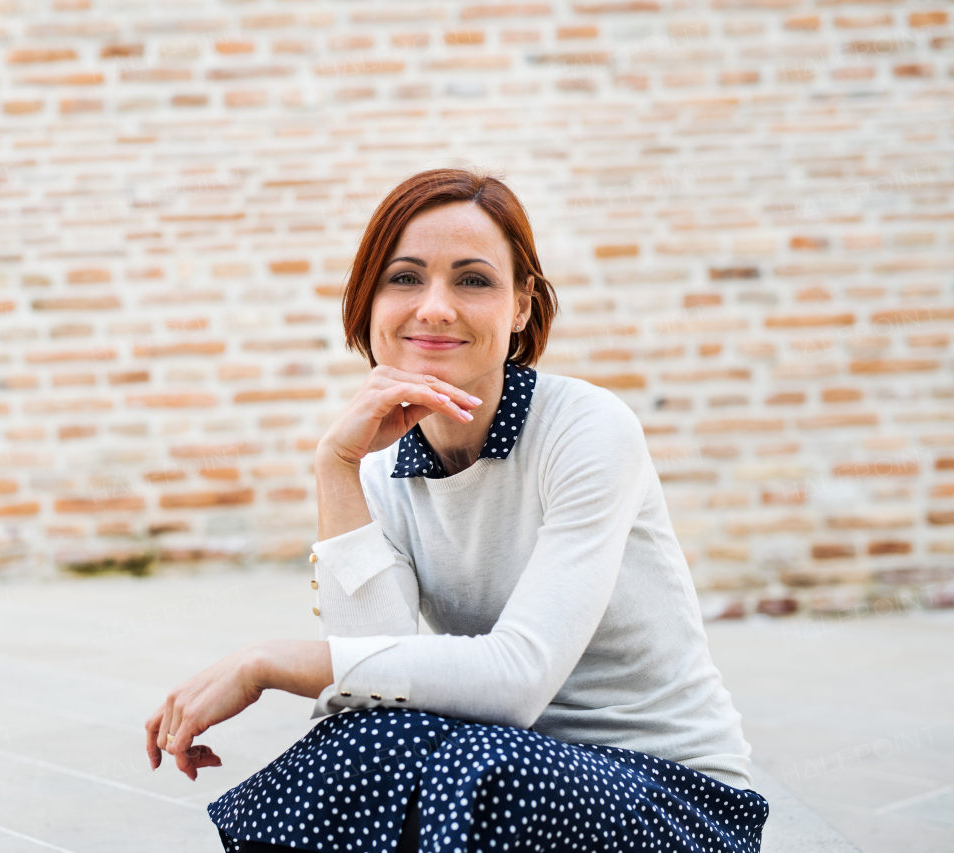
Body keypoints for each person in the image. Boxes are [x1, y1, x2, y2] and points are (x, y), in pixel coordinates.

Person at [144, 168, 769, 853]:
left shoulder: (587, 429)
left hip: (672, 800)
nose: (435, 307)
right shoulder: (377, 459)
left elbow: (515, 682)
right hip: (493, 786)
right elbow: (376, 677)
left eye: (472, 279)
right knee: (367, 737)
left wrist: (267, 661)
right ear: (368, 300)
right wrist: (336, 467)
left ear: (522, 306)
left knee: (485, 768)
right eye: (405, 278)